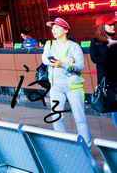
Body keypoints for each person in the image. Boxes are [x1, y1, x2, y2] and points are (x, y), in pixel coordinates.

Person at [42, 17, 90, 145]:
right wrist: (67, 61)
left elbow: (80, 66)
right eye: (53, 28)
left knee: (79, 118)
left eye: (57, 28)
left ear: (66, 30)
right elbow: (45, 60)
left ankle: (86, 145)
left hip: (73, 86)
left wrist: (62, 64)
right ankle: (64, 144)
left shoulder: (74, 47)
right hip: (55, 86)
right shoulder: (49, 44)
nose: (54, 30)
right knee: (56, 116)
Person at [90, 14, 117, 127]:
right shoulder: (96, 41)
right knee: (114, 109)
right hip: (107, 81)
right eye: (109, 24)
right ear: (102, 26)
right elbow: (95, 59)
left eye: (113, 24)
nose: (113, 27)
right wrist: (108, 47)